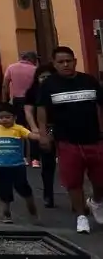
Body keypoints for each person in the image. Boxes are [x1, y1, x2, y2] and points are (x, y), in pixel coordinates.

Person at [36, 46, 103, 234]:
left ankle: (96, 202)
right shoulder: (49, 85)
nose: (66, 64)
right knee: (74, 181)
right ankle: (81, 216)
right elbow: (41, 110)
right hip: (66, 141)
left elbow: (100, 105)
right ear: (54, 64)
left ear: (74, 61)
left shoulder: (89, 80)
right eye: (61, 62)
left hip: (94, 139)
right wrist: (43, 134)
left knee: (100, 180)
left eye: (69, 60)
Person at [0, 102, 39, 224]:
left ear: (14, 118)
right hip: (2, 165)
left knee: (22, 187)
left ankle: (32, 209)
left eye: (8, 117)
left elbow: (30, 136)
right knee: (4, 190)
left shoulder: (19, 129)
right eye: (1, 117)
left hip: (17, 165)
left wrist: (41, 136)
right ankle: (6, 213)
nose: (4, 120)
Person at [24, 62, 58, 208]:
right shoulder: (33, 91)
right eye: (42, 77)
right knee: (48, 164)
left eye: (48, 76)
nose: (44, 79)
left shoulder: (59, 88)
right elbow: (28, 110)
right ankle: (48, 194)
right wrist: (34, 128)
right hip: (46, 129)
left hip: (64, 129)